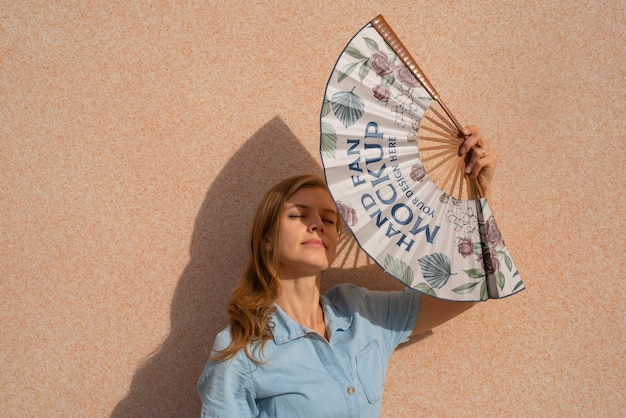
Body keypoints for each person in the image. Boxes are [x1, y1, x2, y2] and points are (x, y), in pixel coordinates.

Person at [198, 126, 496, 417]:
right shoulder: (240, 350)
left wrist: (476, 196)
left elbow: (465, 293)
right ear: (266, 240)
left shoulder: (362, 313)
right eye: (299, 214)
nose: (316, 224)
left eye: (328, 220)